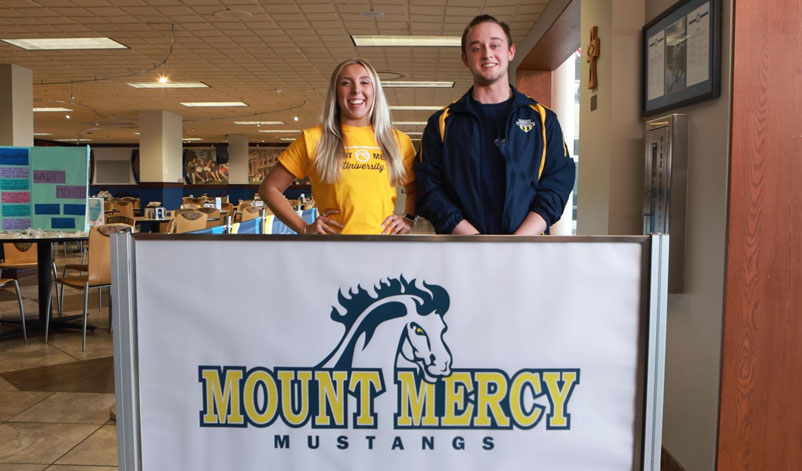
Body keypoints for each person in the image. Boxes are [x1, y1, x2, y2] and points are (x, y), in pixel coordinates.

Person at [414, 14, 576, 235]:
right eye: (476, 48)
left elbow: (558, 183)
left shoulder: (543, 119)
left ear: (510, 52)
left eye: (495, 45)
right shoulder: (441, 124)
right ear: (465, 58)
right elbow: (428, 188)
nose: (487, 54)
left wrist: (519, 242)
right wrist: (475, 240)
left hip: (526, 253)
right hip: (461, 253)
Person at [259, 58, 417, 235]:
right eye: (346, 83)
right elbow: (269, 189)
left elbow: (415, 188)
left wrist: (408, 218)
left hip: (382, 246)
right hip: (332, 247)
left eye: (364, 82)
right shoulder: (313, 139)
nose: (356, 90)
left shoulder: (397, 140)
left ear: (375, 91)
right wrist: (303, 228)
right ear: (335, 91)